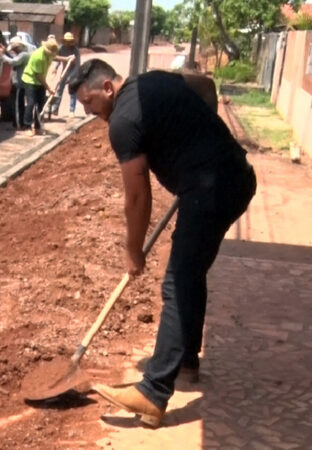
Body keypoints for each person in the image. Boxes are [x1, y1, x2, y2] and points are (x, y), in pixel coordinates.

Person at [68, 59, 256, 428]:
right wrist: (195, 139)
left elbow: (137, 199)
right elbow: (204, 87)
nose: (90, 113)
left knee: (177, 281)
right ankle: (186, 360)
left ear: (107, 87)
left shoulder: (122, 121)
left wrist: (133, 249)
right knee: (190, 272)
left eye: (89, 103)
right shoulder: (153, 80)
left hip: (211, 188)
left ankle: (153, 392)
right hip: (233, 177)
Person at [21, 38, 75, 137]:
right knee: (31, 103)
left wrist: (65, 59)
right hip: (30, 80)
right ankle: (27, 126)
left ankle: (37, 126)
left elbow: (54, 57)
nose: (52, 54)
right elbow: (38, 75)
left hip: (40, 81)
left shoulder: (49, 54)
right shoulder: (38, 56)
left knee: (41, 104)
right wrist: (49, 88)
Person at [0, 36, 31, 131]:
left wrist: (2, 55)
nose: (13, 50)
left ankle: (18, 125)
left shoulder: (24, 55)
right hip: (18, 83)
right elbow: (13, 57)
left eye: (14, 48)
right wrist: (5, 52)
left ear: (18, 47)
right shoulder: (22, 54)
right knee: (17, 104)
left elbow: (13, 61)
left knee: (17, 105)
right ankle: (17, 123)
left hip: (19, 83)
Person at [49, 32, 81, 118]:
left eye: (69, 42)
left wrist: (71, 77)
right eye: (66, 41)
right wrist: (55, 68)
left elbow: (77, 65)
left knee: (72, 92)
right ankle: (55, 109)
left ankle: (71, 110)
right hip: (64, 72)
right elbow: (59, 60)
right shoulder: (61, 48)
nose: (68, 43)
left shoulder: (75, 51)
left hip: (73, 73)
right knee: (59, 91)